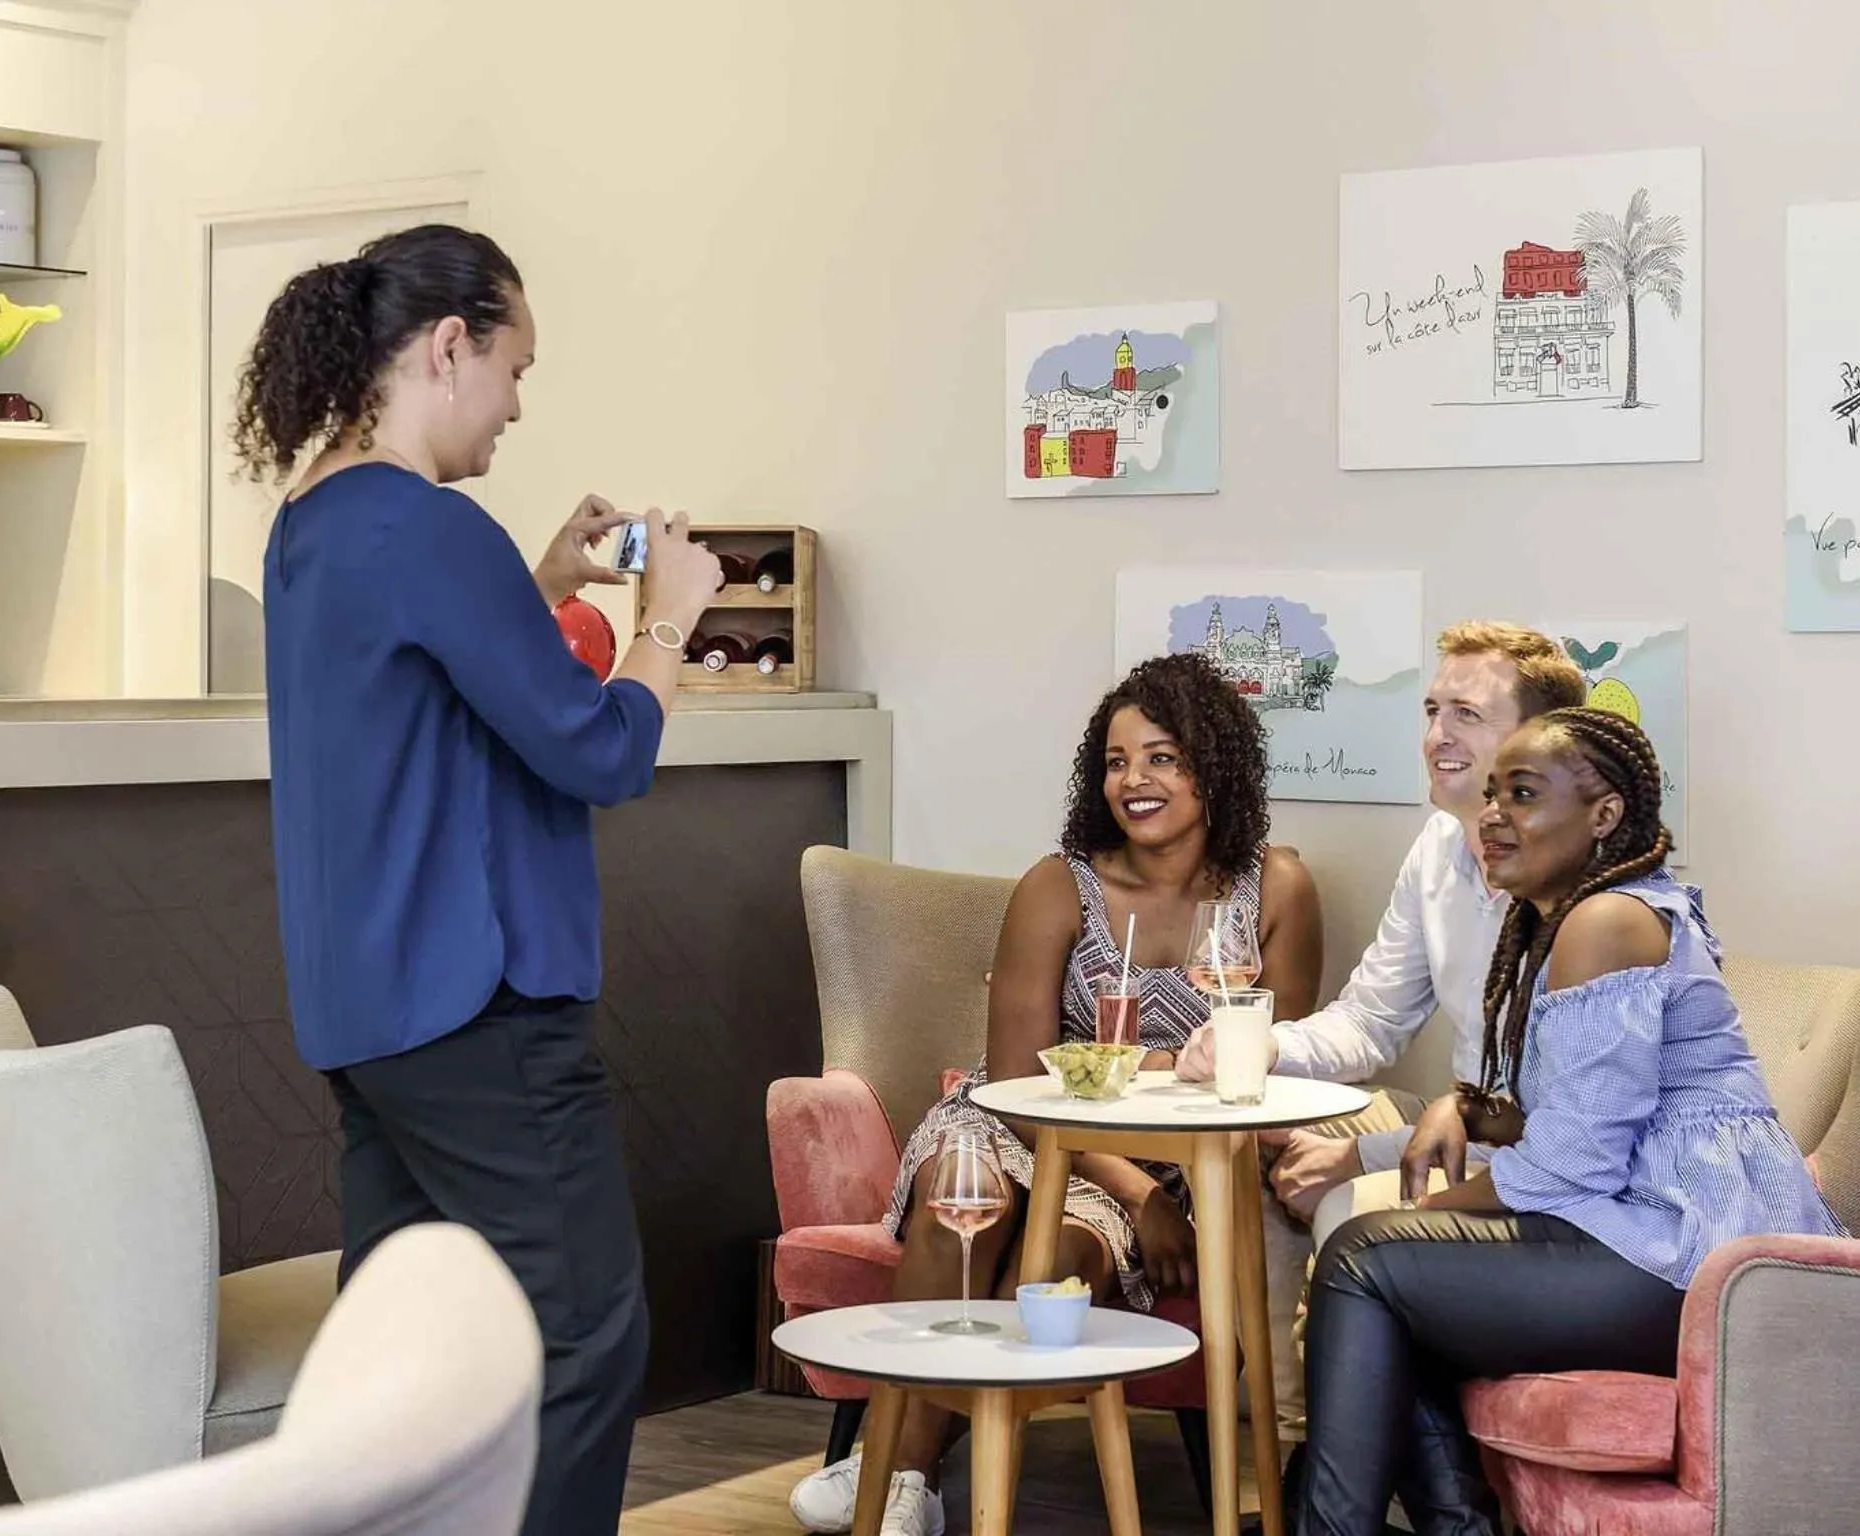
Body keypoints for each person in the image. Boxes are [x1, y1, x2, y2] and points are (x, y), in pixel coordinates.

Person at [237, 224, 724, 1536]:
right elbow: (601, 750)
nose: (516, 405)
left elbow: (429, 696)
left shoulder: (312, 521)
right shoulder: (430, 528)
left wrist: (540, 581)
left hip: (373, 1019)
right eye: (515, 368)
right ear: (450, 346)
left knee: (399, 1363)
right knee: (583, 1337)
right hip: (481, 1009)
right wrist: (670, 615)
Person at [789, 654, 1323, 1536]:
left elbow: (1274, 1063)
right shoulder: (1060, 884)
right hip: (1018, 1125)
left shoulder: (1277, 891)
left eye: (1162, 757)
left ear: (1214, 766)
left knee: (1061, 1262)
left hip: (1168, 1155)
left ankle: (891, 1467)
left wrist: (1157, 1175)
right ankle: (904, 1477)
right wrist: (1141, 1194)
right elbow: (1012, 1080)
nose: (1134, 780)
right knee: (963, 1201)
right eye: (1117, 761)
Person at [1297, 709, 1844, 1535]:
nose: (1492, 816)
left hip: (1692, 1258)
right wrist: (1469, 1112)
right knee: (1392, 1276)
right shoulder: (1570, 922)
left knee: (1364, 1259)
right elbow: (1584, 1117)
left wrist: (1432, 1212)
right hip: (1655, 1235)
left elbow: (1570, 1168)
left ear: (1604, 815)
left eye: (1522, 794)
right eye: (1491, 795)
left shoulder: (1606, 922)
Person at [1174, 622, 1586, 1445]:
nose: (1437, 736)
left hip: (1521, 1150)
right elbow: (1371, 1020)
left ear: (1540, 742)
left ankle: (1340, 1456)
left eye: (1467, 714)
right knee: (1261, 1140)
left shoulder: (1582, 882)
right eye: (1432, 711)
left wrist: (1361, 1156)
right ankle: (1287, 1445)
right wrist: (1262, 1046)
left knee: (1347, 1206)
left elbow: (1546, 1125)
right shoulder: (1438, 847)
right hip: (1456, 1120)